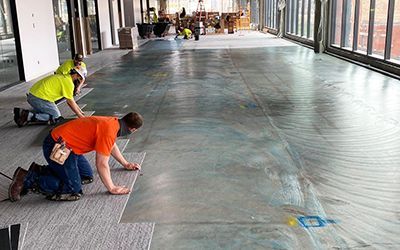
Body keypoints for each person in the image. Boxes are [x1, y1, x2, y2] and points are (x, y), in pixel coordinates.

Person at [8, 112, 144, 202]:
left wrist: (125, 163)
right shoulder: (109, 130)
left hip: (70, 148)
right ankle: (26, 178)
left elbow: (111, 146)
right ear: (132, 129)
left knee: (86, 176)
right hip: (57, 145)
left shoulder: (113, 123)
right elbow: (102, 163)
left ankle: (40, 170)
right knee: (73, 190)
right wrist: (112, 188)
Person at [13, 67, 86, 127]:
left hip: (33, 96)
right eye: (80, 79)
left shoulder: (63, 76)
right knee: (56, 117)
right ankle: (27, 116)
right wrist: (80, 115)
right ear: (77, 75)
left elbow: (71, 100)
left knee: (48, 112)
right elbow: (70, 102)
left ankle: (22, 113)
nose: (79, 82)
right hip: (40, 98)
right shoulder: (68, 83)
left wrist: (80, 111)